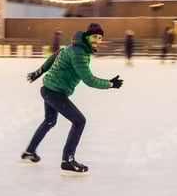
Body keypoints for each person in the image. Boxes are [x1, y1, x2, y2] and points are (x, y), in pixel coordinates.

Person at [21, 23, 123, 177]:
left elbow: (56, 54)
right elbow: (89, 80)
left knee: (50, 121)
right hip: (55, 92)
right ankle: (67, 161)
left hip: (49, 89)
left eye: (100, 38)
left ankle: (29, 152)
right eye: (95, 37)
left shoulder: (73, 47)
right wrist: (110, 84)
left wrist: (40, 72)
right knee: (79, 121)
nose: (98, 40)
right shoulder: (79, 53)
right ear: (87, 37)